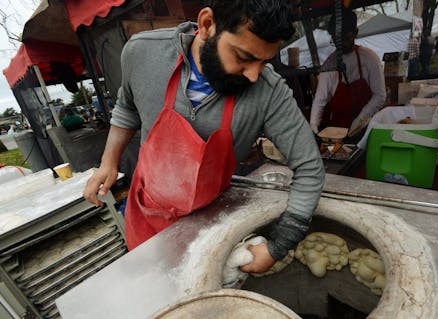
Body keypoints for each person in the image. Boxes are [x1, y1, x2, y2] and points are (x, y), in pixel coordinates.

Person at [83, 0, 325, 273]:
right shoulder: (142, 53)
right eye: (244, 57)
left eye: (264, 61)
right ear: (207, 24)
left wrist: (278, 246)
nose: (254, 75)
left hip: (210, 223)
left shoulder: (269, 93)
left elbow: (310, 168)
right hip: (146, 215)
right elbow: (127, 107)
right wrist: (109, 162)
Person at [309, 8, 386, 137]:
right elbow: (320, 100)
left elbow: (380, 95)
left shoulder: (369, 58)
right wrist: (313, 127)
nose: (342, 44)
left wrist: (360, 120)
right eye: (336, 39)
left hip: (366, 127)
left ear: (355, 33)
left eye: (346, 38)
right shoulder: (330, 65)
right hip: (338, 132)